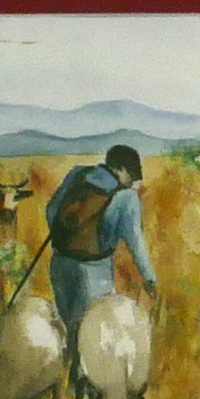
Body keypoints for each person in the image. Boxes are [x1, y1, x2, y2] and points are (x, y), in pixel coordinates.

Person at [42, 142, 157, 382]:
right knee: (94, 331)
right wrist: (148, 277)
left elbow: (51, 211)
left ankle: (67, 378)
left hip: (60, 264)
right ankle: (85, 383)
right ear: (121, 169)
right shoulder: (126, 197)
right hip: (94, 271)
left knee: (69, 325)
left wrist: (67, 238)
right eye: (132, 175)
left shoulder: (77, 175)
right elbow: (135, 240)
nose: (133, 181)